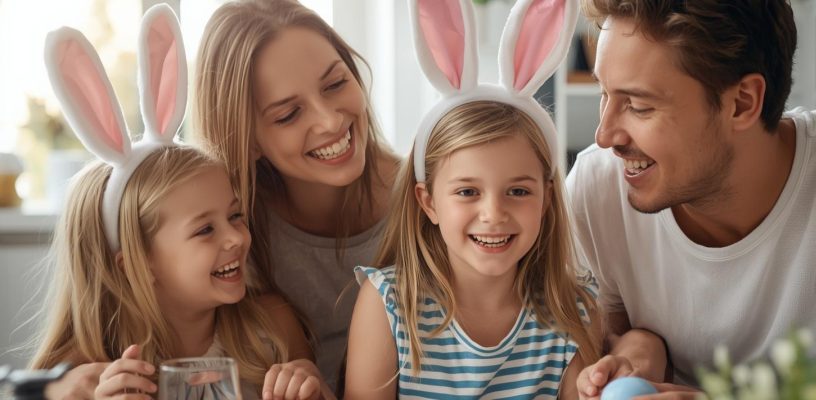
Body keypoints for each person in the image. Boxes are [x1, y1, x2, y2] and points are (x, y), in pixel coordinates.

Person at [570, 0, 816, 396]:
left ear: (742, 102)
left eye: (639, 106)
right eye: (604, 93)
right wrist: (639, 347)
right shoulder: (597, 188)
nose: (604, 136)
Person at [345, 1, 667, 398]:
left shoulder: (572, 312)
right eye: (467, 192)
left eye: (518, 191)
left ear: (547, 199)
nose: (494, 214)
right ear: (427, 202)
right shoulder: (388, 307)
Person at [32, 6, 332, 399]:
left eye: (235, 215)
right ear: (139, 262)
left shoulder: (271, 329)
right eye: (205, 229)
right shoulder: (88, 372)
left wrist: (313, 388)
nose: (237, 239)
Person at [193, 0, 399, 388]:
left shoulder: (432, 198)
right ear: (246, 139)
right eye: (288, 115)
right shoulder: (230, 234)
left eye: (336, 83)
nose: (330, 120)